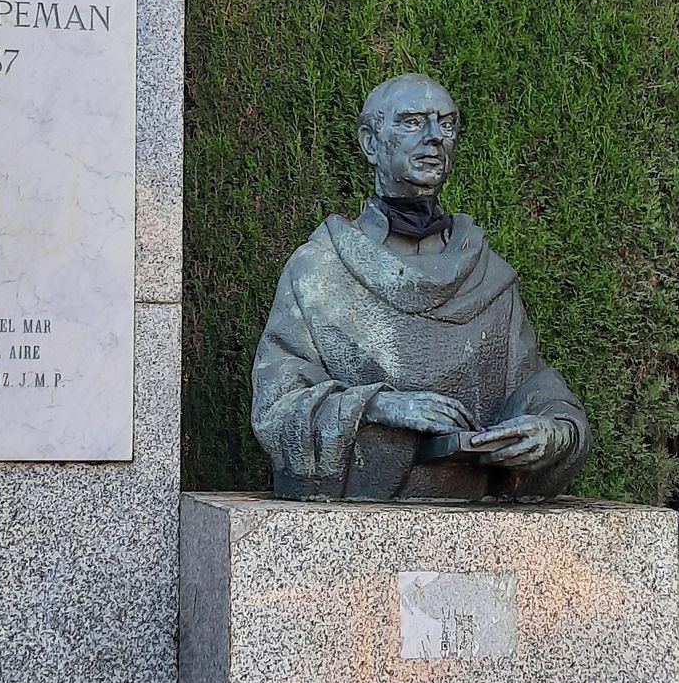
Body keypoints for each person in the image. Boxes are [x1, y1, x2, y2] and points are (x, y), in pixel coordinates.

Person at [251, 74, 590, 502]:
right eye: (412, 122)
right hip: (359, 518)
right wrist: (379, 407)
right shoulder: (319, 272)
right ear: (370, 142)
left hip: (473, 516)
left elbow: (535, 389)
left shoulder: (489, 275)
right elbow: (278, 407)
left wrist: (556, 432)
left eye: (446, 125)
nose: (434, 138)